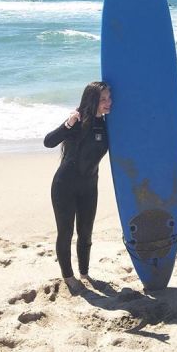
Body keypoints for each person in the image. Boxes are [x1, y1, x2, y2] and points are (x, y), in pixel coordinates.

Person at [44, 82, 112, 293]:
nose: (108, 103)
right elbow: (49, 142)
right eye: (103, 99)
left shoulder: (109, 124)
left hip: (89, 187)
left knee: (86, 233)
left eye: (109, 98)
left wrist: (174, 129)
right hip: (64, 186)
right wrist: (68, 122)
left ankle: (84, 272)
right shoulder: (77, 122)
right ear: (92, 101)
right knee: (65, 233)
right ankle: (68, 276)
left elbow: (139, 137)